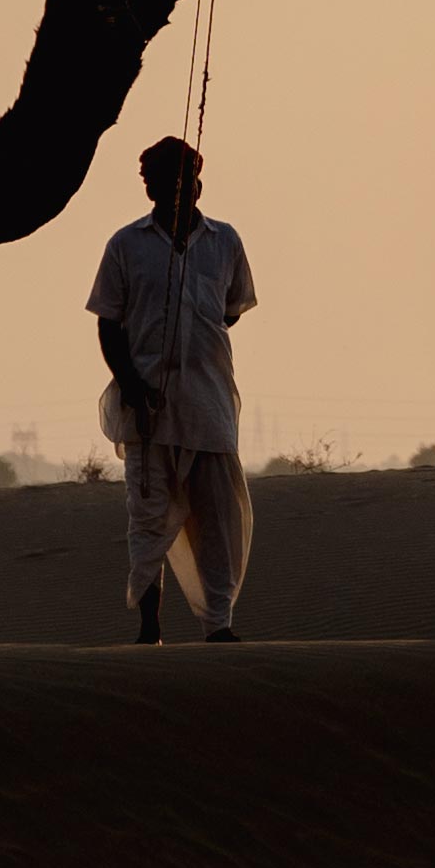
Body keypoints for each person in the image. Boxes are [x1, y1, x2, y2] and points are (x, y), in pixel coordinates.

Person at [88, 137, 258, 643]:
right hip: (146, 410)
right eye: (148, 180)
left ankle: (219, 626)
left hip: (207, 407)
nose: (152, 187)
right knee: (149, 521)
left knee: (216, 520)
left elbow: (232, 309)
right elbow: (109, 324)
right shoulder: (125, 245)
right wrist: (134, 385)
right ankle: (149, 628)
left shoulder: (224, 241)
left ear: (191, 180)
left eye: (161, 178)